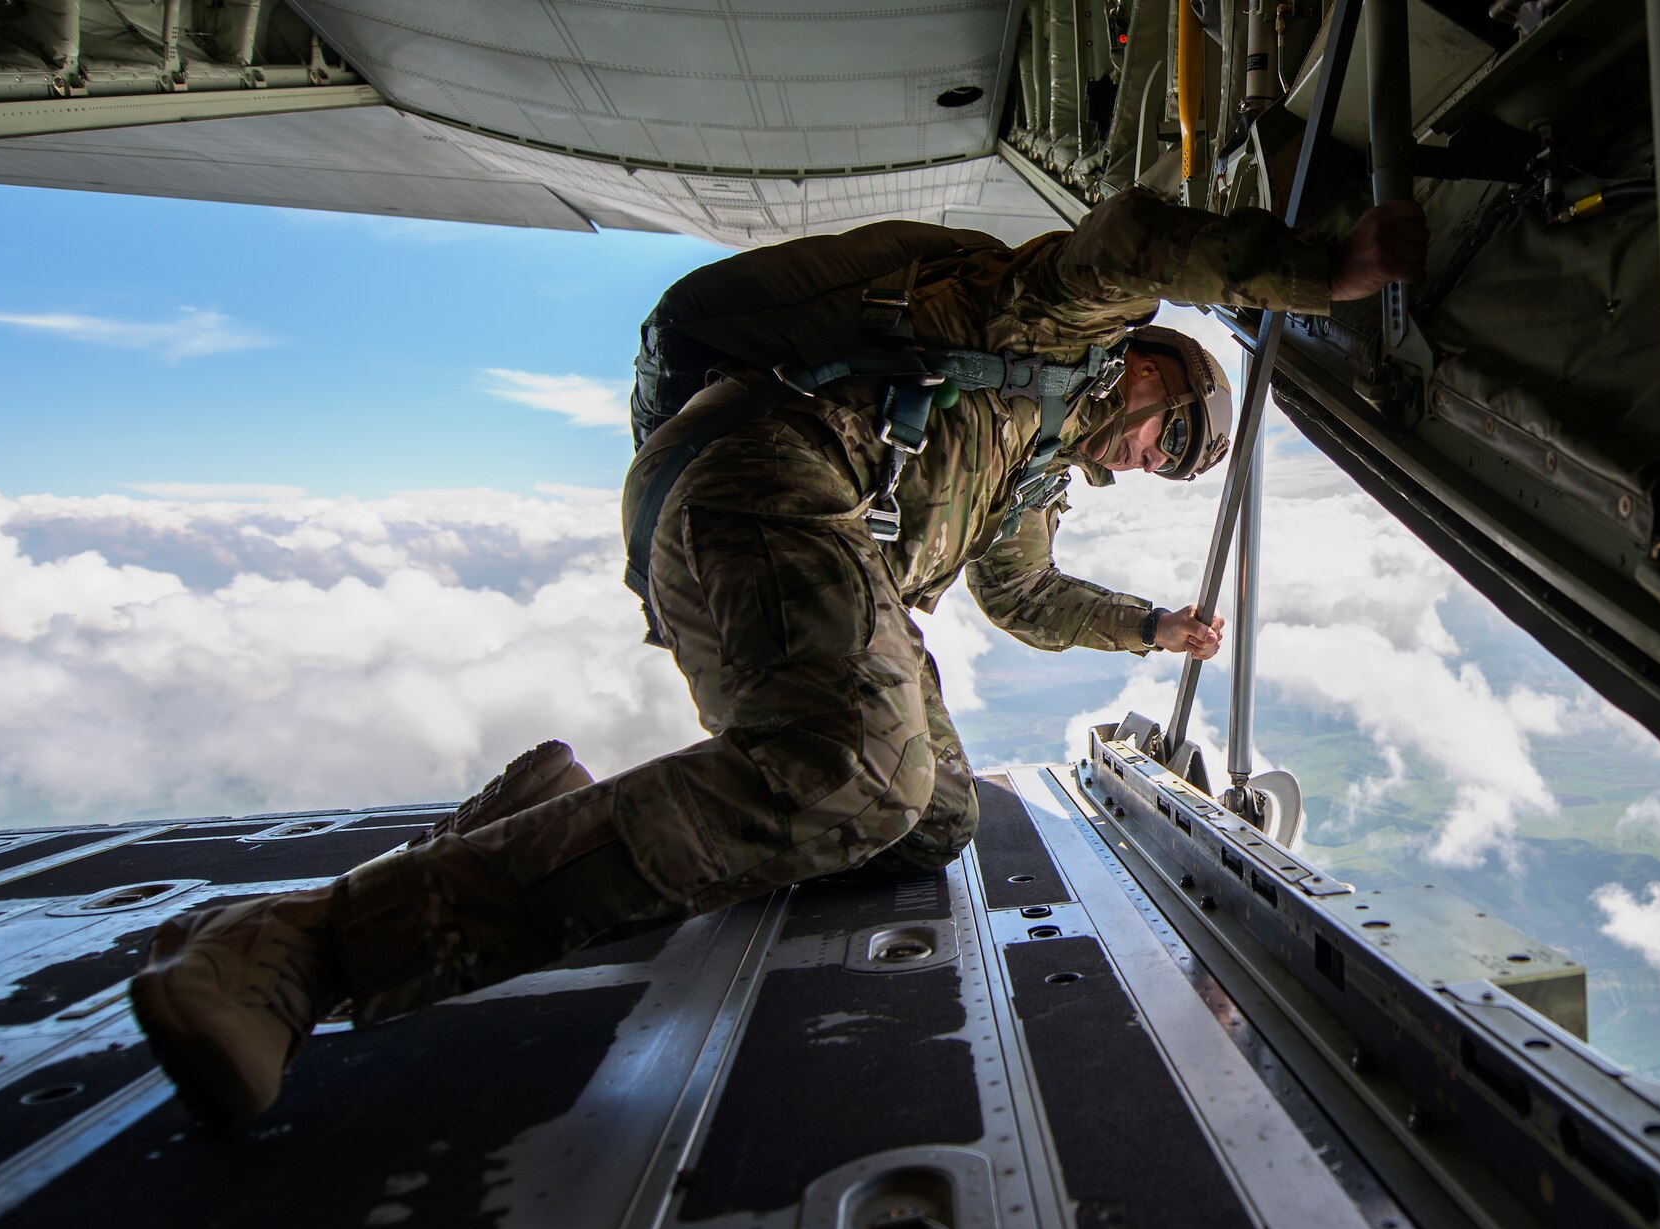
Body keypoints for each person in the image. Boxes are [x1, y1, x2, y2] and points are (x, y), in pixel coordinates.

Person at [128, 189, 1427, 1131]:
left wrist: (1148, 628)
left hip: (816, 557)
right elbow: (1138, 237)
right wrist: (1317, 269)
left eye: (1181, 466)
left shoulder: (1036, 469)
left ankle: (531, 820)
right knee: (849, 776)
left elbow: (1018, 594)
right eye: (1181, 434)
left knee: (928, 819)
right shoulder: (1052, 324)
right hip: (759, 477)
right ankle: (298, 953)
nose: (1161, 460)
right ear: (1153, 364)